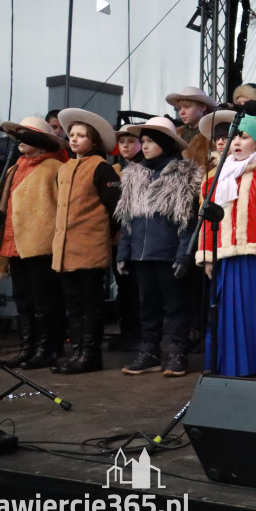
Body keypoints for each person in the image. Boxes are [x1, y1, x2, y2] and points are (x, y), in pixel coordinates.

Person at [197, 114, 256, 377]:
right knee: (226, 312)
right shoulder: (214, 179)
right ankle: (228, 363)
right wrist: (206, 254)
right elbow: (207, 221)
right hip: (225, 258)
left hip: (255, 258)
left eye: (244, 137)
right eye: (233, 137)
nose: (236, 142)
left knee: (254, 312)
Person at [116, 117, 201, 377]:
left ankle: (177, 351)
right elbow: (127, 218)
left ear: (165, 143)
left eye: (151, 141)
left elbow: (187, 221)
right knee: (147, 306)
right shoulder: (134, 175)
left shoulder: (183, 175)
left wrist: (184, 255)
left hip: (168, 253)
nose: (144, 146)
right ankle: (149, 351)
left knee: (175, 305)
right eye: (143, 141)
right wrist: (123, 252)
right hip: (141, 255)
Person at [0, 117, 65, 369]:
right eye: (18, 136)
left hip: (39, 244)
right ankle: (27, 348)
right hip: (14, 242)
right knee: (23, 298)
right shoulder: (14, 167)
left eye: (26, 136)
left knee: (43, 299)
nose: (20, 141)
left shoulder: (54, 167)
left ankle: (46, 349)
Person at [51, 109, 121, 374]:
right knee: (74, 304)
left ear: (93, 141)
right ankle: (79, 352)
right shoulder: (64, 169)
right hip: (65, 249)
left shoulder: (101, 168)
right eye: (72, 134)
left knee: (90, 303)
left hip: (90, 248)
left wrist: (105, 235)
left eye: (81, 135)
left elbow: (116, 208)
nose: (74, 139)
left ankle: (90, 355)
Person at [108, 127, 144, 352]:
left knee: (137, 289)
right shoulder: (115, 171)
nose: (125, 145)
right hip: (118, 238)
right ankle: (127, 333)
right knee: (124, 289)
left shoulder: (145, 170)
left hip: (138, 238)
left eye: (131, 141)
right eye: (122, 141)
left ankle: (140, 336)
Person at [166, 86, 218, 173]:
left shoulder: (212, 134)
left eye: (187, 107)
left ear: (203, 107)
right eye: (179, 108)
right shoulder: (175, 134)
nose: (182, 112)